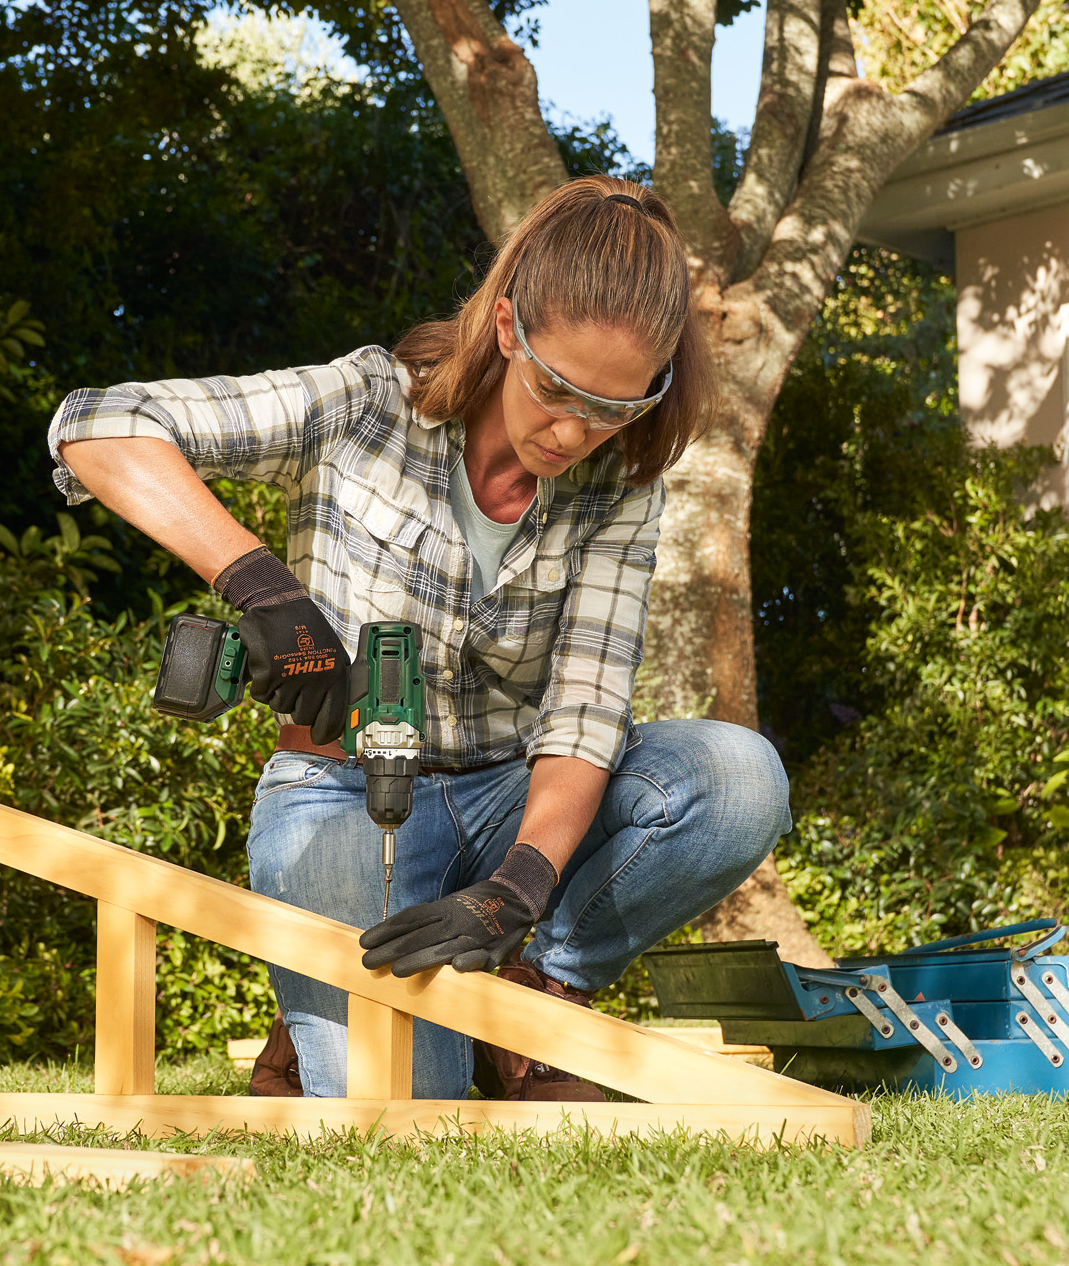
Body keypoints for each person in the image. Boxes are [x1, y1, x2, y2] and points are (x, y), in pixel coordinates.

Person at [49, 175, 792, 1101]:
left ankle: (534, 994)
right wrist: (264, 588)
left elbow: (588, 710)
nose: (576, 430)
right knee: (412, 1105)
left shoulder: (621, 491)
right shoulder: (367, 407)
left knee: (735, 778)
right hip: (341, 797)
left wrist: (517, 890)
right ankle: (327, 1026)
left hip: (510, 797)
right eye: (559, 390)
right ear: (511, 326)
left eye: (617, 407)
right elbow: (100, 425)